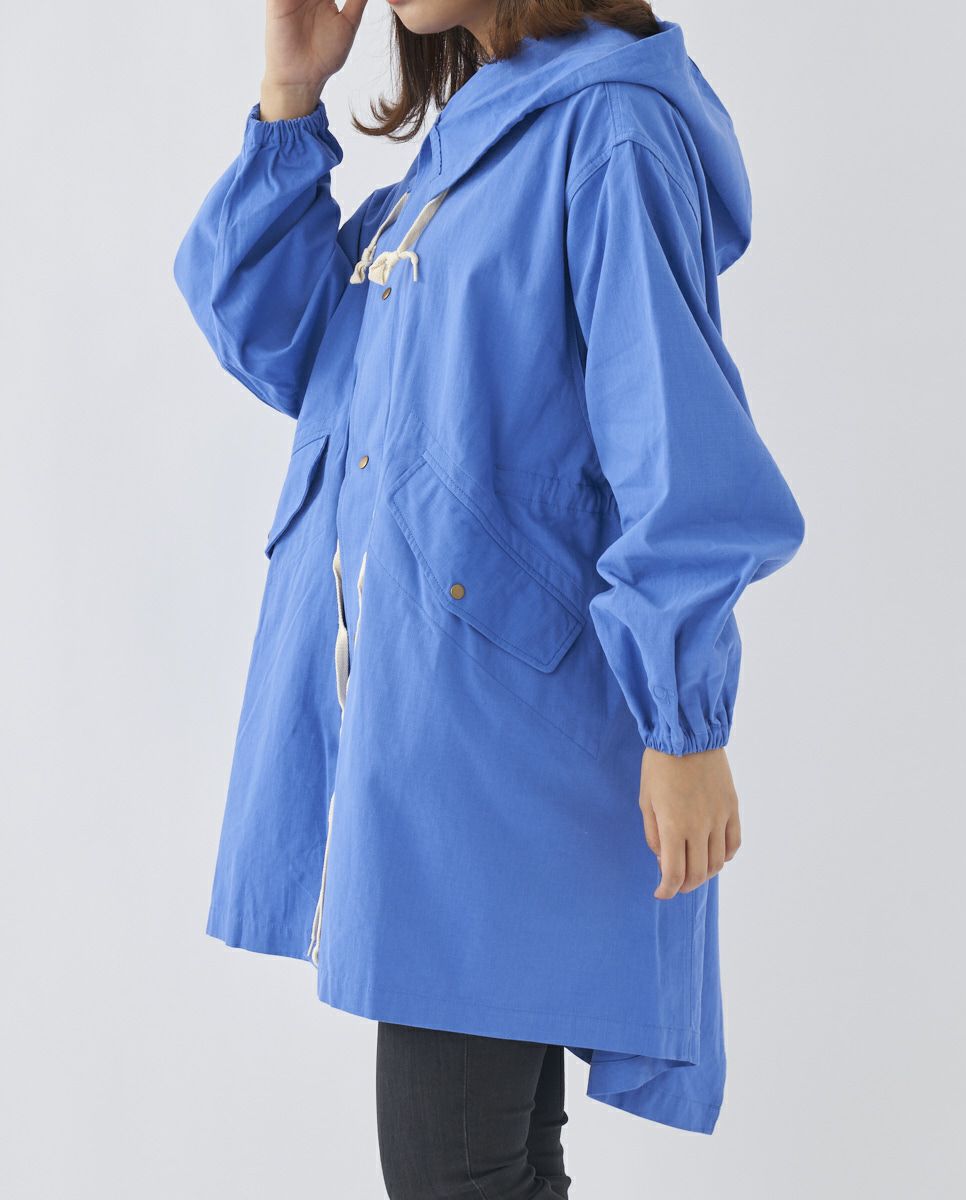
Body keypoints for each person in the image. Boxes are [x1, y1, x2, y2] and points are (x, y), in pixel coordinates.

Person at [173, 0, 805, 1195]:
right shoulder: (469, 142)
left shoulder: (608, 129)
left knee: (455, 1170)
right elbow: (286, 342)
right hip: (428, 750)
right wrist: (290, 99)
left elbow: (674, 445)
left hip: (508, 756)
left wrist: (686, 725)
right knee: (492, 1166)